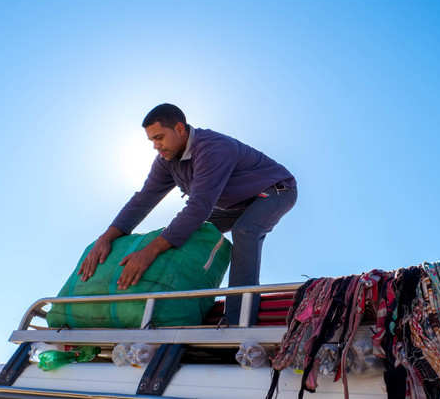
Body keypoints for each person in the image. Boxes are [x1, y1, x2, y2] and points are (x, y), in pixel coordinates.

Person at [78, 103, 297, 325]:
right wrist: (106, 238)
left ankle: (238, 318)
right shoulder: (166, 161)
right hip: (236, 203)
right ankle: (181, 299)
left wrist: (149, 252)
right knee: (189, 233)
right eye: (152, 140)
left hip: (275, 190)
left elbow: (199, 207)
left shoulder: (213, 149)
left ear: (180, 129)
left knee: (245, 231)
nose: (156, 146)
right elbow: (142, 200)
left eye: (160, 137)